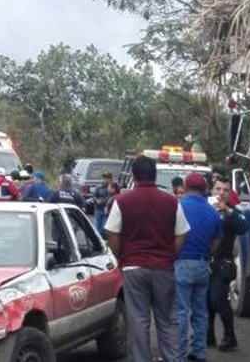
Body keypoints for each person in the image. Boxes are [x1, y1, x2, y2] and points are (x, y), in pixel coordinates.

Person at [104, 155, 190, 362]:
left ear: (133, 175)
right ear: (154, 174)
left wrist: (122, 256)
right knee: (167, 320)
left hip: (133, 268)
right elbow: (182, 232)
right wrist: (171, 254)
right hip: (163, 267)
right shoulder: (171, 201)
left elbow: (111, 233)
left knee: (138, 320)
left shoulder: (121, 201)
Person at [175, 173, 221, 361]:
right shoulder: (212, 211)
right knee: (200, 311)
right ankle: (199, 352)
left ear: (185, 187)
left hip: (182, 262)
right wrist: (207, 254)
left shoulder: (178, 208)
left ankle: (179, 355)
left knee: (180, 312)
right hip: (203, 264)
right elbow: (217, 240)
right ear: (204, 189)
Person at [208, 175, 250, 351]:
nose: (221, 193)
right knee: (206, 301)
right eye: (218, 189)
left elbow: (244, 227)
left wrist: (228, 210)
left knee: (218, 299)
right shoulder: (206, 208)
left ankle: (229, 335)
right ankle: (208, 335)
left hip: (223, 262)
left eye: (225, 190)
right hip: (204, 262)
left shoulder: (233, 212)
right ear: (212, 190)